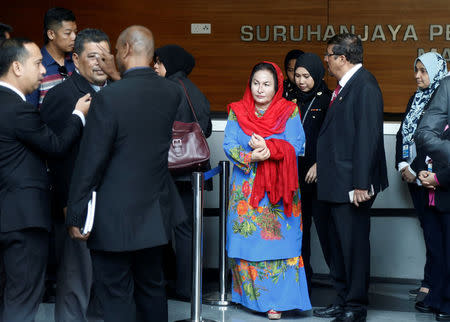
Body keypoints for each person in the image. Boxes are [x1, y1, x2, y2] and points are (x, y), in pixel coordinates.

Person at [66, 26, 186, 322]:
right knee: (152, 288)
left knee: (116, 293)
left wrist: (76, 213)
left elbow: (91, 161)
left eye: (116, 51)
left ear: (127, 50)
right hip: (155, 214)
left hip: (114, 217)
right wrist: (119, 77)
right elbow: (140, 98)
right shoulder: (171, 92)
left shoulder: (109, 98)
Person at [0, 37, 89, 322]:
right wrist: (78, 114)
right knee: (22, 296)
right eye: (37, 63)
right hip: (22, 219)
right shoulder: (18, 109)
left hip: (7, 216)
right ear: (16, 67)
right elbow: (56, 146)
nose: (42, 71)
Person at [224, 61, 311, 320]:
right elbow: (228, 143)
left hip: (278, 193)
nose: (260, 89)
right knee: (246, 241)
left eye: (266, 84)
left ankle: (278, 302)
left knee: (279, 245)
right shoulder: (237, 111)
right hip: (246, 191)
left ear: (277, 87)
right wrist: (252, 155)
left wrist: (270, 149)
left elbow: (298, 145)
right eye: (255, 83)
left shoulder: (289, 111)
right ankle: (250, 298)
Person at [313, 33, 388, 322]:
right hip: (335, 183)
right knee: (337, 247)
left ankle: (355, 306)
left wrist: (360, 183)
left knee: (353, 248)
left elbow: (367, 139)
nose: (327, 61)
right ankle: (342, 299)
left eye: (329, 56)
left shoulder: (365, 86)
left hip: (351, 186)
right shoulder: (345, 87)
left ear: (342, 58)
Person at [40, 28, 111, 322]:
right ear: (77, 59)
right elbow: (59, 156)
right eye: (92, 56)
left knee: (104, 280)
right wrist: (70, 206)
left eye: (105, 57)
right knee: (76, 282)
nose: (99, 63)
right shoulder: (62, 96)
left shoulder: (115, 93)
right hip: (77, 204)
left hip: (110, 202)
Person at [153, 44, 212, 300]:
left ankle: (175, 284)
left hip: (172, 172)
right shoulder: (196, 92)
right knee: (187, 230)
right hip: (195, 170)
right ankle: (189, 286)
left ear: (170, 63)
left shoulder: (167, 89)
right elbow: (206, 130)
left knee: (166, 230)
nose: (154, 66)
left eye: (158, 62)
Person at [395, 52, 448, 311]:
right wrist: (403, 165)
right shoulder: (415, 98)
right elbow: (402, 134)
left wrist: (431, 174)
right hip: (414, 178)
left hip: (439, 180)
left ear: (437, 71)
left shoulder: (443, 98)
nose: (418, 76)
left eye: (423, 71)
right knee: (431, 236)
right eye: (415, 70)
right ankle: (433, 289)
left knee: (440, 241)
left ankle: (435, 291)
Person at [293, 52, 331, 293]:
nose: (301, 81)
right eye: (297, 75)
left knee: (326, 231)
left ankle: (340, 282)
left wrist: (321, 164)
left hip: (318, 175)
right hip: (293, 174)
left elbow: (331, 140)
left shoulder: (327, 100)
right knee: (299, 230)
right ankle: (301, 278)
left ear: (316, 75)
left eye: (306, 76)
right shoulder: (289, 99)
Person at [415, 68, 450, 322]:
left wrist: (439, 178)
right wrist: (428, 175)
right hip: (439, 191)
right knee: (440, 250)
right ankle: (440, 298)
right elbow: (426, 139)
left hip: (444, 185)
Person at [26, 7, 77, 108]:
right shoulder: (35, 66)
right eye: (68, 33)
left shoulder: (76, 60)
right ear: (51, 34)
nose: (74, 37)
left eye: (75, 32)